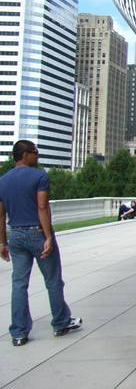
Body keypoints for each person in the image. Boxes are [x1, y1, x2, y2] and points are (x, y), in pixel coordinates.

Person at [0, 140, 82, 346]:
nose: (37, 156)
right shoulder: (40, 177)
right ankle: (61, 323)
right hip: (37, 232)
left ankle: (19, 333)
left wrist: (2, 243)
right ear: (25, 155)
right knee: (53, 280)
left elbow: (1, 216)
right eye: (35, 153)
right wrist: (48, 237)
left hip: (15, 235)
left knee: (19, 284)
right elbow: (42, 207)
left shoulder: (3, 181)